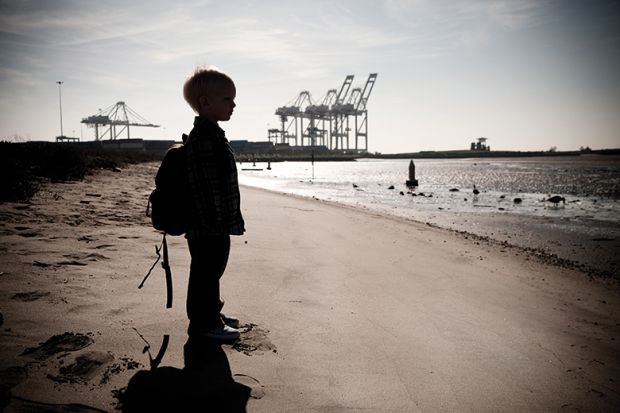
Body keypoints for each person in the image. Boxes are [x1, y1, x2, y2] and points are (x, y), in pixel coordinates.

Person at [182, 66, 245, 341]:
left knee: (211, 269)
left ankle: (211, 313)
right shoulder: (205, 139)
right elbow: (206, 186)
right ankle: (204, 323)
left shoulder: (213, 134)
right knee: (206, 271)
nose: (234, 104)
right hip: (209, 223)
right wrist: (216, 222)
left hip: (214, 222)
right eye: (227, 99)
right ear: (206, 103)